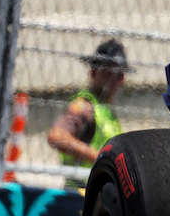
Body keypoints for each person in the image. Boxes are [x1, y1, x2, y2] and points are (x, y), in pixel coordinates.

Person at [48, 39, 131, 185]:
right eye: (108, 72)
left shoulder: (108, 112)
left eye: (119, 73)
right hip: (79, 193)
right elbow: (56, 136)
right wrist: (99, 157)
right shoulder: (84, 106)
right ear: (93, 73)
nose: (114, 78)